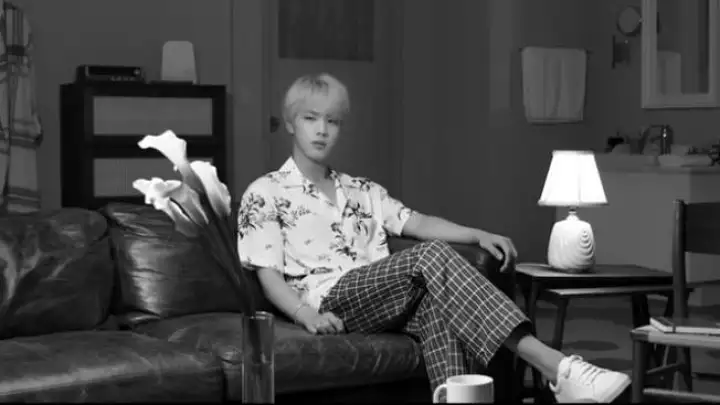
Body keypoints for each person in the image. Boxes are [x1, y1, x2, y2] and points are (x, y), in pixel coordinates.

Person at [236, 73, 631, 403]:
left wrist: (477, 234)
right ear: (291, 123)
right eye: (310, 118)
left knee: (436, 307)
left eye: (332, 121)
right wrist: (306, 316)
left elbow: (417, 222)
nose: (322, 130)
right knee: (431, 256)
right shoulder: (265, 192)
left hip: (380, 298)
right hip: (329, 299)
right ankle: (557, 366)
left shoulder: (361, 189)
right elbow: (268, 275)